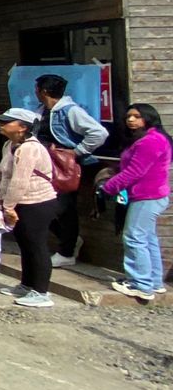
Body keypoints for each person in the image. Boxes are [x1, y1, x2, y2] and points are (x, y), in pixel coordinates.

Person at [34, 73, 108, 267]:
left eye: (37, 89)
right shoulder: (42, 111)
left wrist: (77, 152)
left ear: (43, 91)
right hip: (45, 166)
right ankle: (70, 240)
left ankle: (67, 251)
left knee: (63, 208)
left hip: (64, 168)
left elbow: (99, 133)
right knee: (42, 208)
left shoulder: (69, 111)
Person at [100, 103, 171, 302]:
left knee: (134, 237)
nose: (131, 120)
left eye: (137, 116)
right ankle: (154, 282)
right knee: (147, 238)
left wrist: (108, 188)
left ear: (148, 118)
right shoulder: (149, 138)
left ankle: (140, 285)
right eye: (129, 116)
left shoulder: (150, 141)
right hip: (150, 195)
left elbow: (135, 172)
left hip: (147, 196)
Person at [0, 107, 59, 307]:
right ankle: (27, 284)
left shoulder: (30, 148)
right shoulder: (9, 145)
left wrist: (8, 206)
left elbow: (20, 181)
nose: (1, 125)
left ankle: (41, 291)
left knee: (36, 245)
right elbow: (4, 177)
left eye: (6, 122)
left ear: (22, 127)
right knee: (25, 244)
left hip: (36, 202)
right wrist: (0, 201)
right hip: (19, 202)